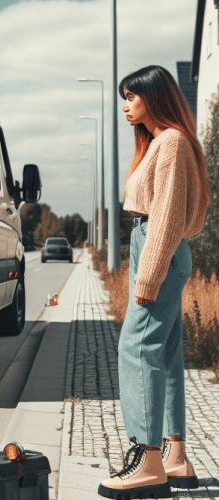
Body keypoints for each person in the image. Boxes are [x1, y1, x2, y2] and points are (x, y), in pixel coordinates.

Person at [98, 66, 209, 499]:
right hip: (160, 247)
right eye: (124, 97)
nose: (126, 105)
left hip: (159, 246)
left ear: (154, 97)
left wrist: (148, 274)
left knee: (137, 347)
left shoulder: (172, 142)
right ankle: (174, 455)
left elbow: (164, 217)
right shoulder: (164, 141)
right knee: (164, 351)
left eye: (132, 96)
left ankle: (147, 461)